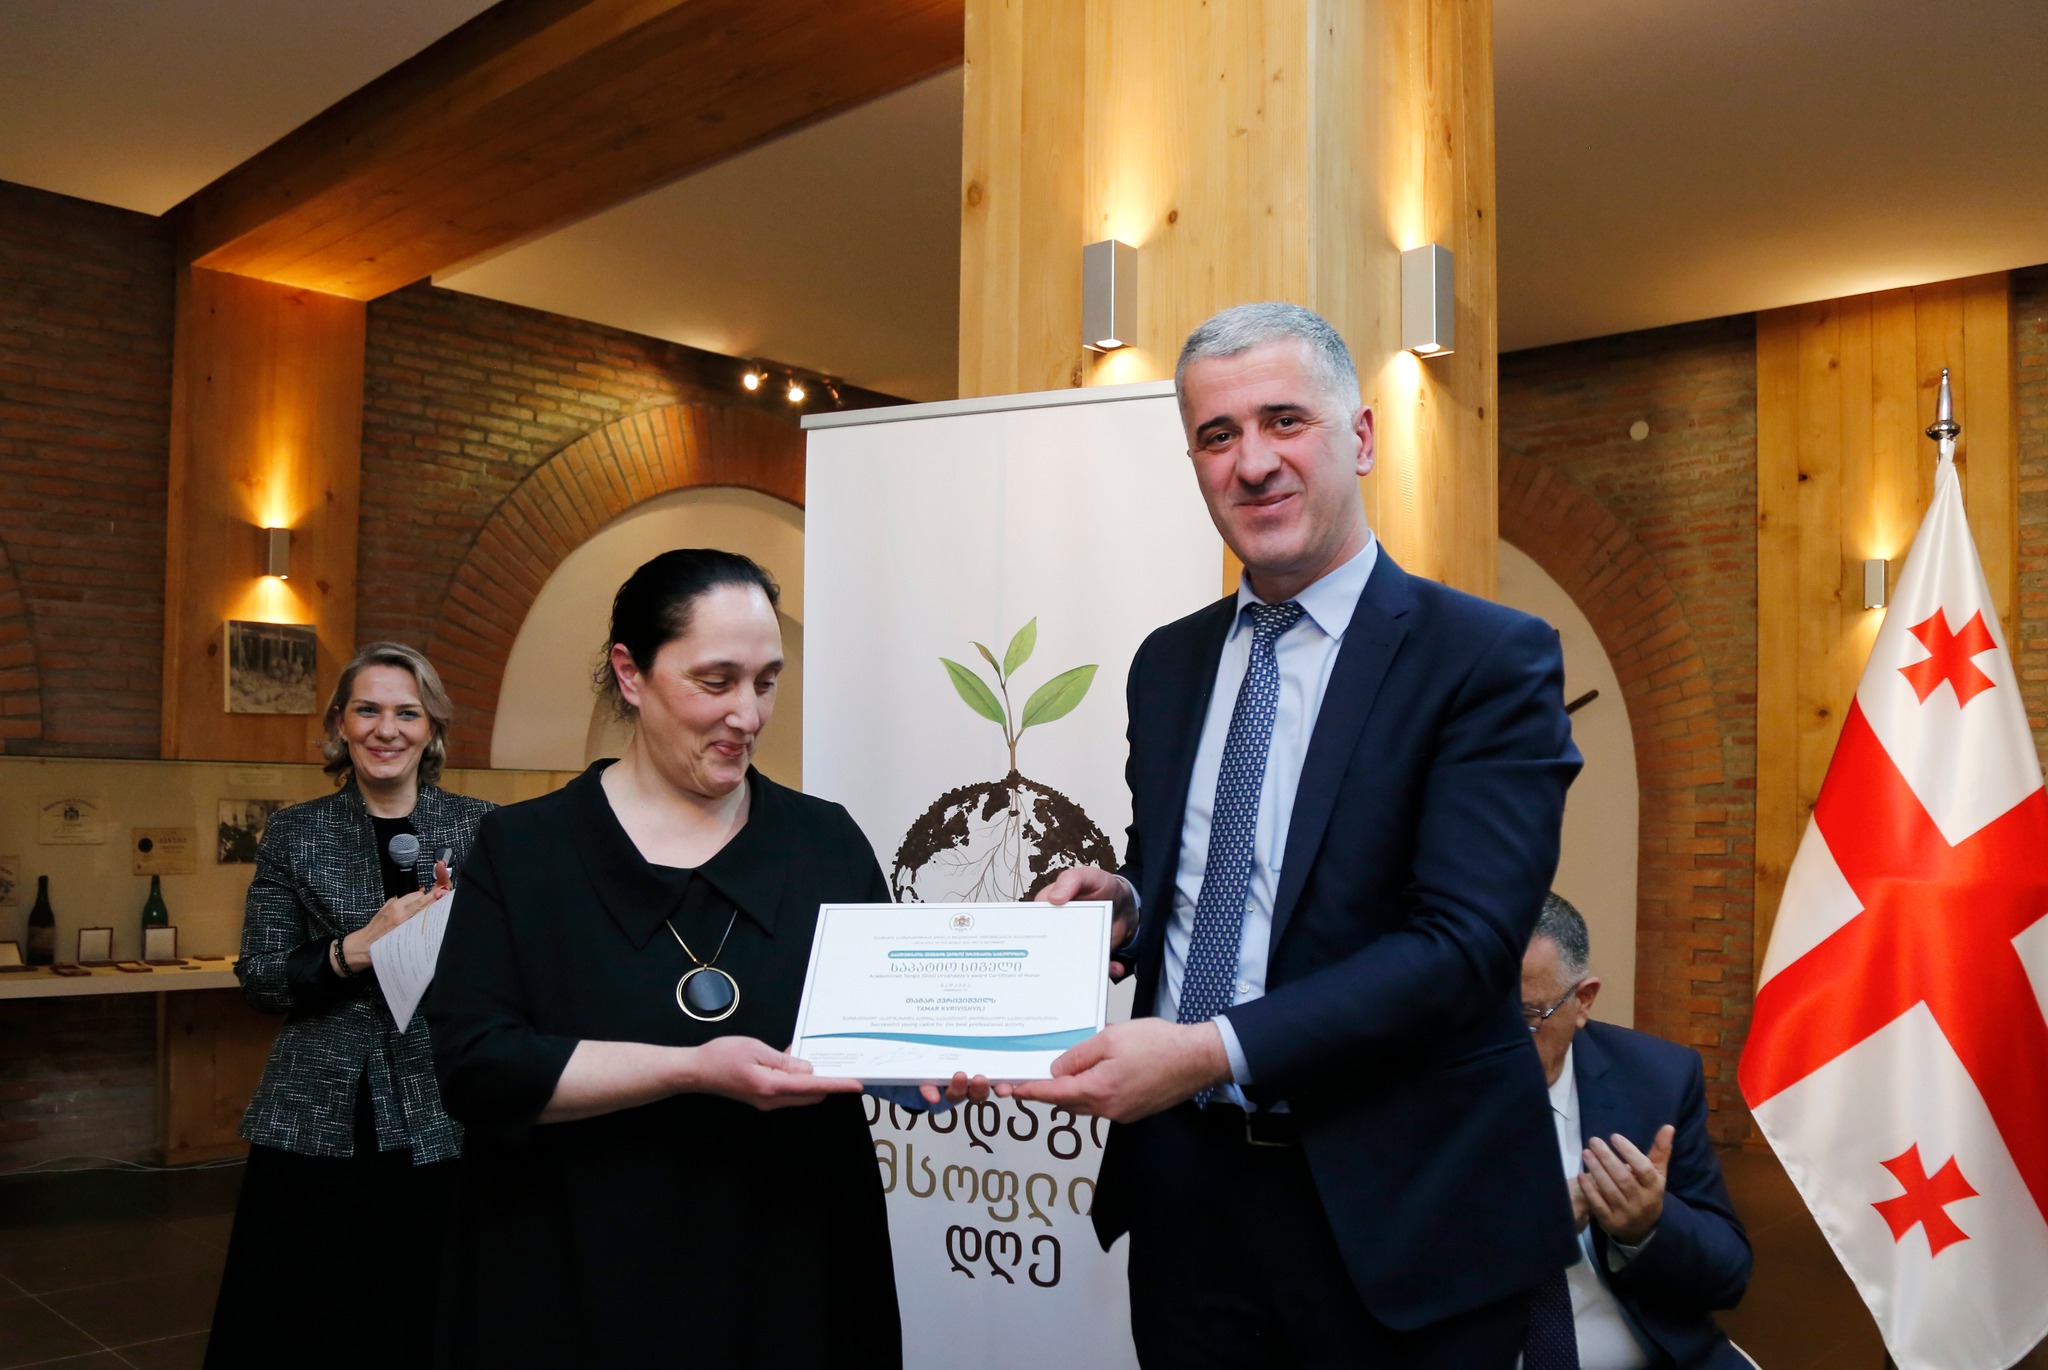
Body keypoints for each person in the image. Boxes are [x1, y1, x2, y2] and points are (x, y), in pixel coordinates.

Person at [1012, 302, 1583, 1365]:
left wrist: (1205, 1050)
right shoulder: (1168, 663)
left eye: (1285, 420)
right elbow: (1191, 867)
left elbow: (1463, 945)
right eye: (1217, 434)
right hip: (1186, 1196)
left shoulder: (1485, 658)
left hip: (1398, 1210)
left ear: (1359, 436)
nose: (1253, 462)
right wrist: (1125, 901)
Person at [425, 549, 984, 1370]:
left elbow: (873, 1029)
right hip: (575, 1277)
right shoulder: (524, 850)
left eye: (766, 682)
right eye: (715, 682)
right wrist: (688, 1069)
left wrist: (918, 1064)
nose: (748, 716)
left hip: (791, 1271)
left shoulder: (825, 843)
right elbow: (477, 1067)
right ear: (631, 674)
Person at [208, 643, 491, 1370]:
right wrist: (354, 949)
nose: (386, 729)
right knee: (321, 1314)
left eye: (407, 713)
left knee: (444, 1302)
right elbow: (262, 979)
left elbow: (522, 967)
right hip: (325, 1109)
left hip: (447, 1101)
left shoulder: (486, 830)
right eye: (367, 710)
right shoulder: (294, 831)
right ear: (340, 723)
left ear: (432, 728)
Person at [1521, 893, 1753, 1369]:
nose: (1495, 1041)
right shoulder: (1407, 1089)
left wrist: (1647, 1227)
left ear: (1583, 1000)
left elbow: (1728, 1275)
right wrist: (1523, 1234)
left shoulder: (1657, 1078)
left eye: (1526, 1018)